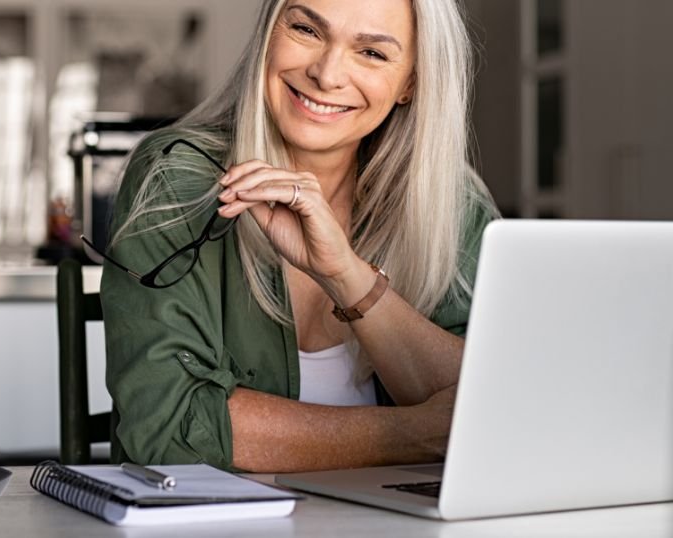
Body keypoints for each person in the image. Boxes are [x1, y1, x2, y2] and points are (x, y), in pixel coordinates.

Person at [91, 0, 499, 473]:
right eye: (307, 29)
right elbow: (169, 427)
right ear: (269, 33)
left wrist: (347, 276)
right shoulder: (177, 175)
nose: (327, 75)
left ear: (411, 82)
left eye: (372, 53)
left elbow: (499, 407)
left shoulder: (450, 202)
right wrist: (412, 434)